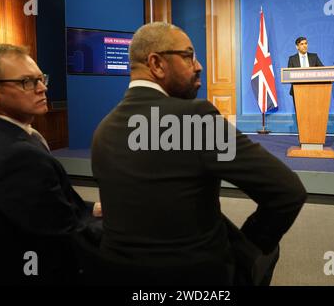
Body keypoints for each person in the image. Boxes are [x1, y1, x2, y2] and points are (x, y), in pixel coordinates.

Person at [91, 22, 307, 285]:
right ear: (157, 64)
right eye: (188, 55)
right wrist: (246, 250)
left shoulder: (102, 130)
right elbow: (288, 191)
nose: (198, 65)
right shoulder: (195, 118)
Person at [0, 44, 103, 285]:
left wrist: (92, 209)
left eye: (41, 78)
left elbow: (46, 208)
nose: (43, 88)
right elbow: (64, 238)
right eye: (27, 82)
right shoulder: (17, 156)